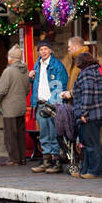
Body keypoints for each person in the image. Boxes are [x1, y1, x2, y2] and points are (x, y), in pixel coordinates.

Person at [29, 42, 68, 174]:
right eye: (41, 49)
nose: (43, 52)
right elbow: (36, 84)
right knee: (44, 133)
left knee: (53, 133)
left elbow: (60, 85)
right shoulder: (37, 64)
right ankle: (46, 160)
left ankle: (56, 161)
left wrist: (52, 103)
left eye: (46, 49)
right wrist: (30, 78)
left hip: (51, 104)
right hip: (40, 103)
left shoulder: (57, 66)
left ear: (50, 51)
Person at [70, 52, 102, 179]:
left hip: (91, 114)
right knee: (86, 143)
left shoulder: (86, 73)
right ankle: (84, 170)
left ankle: (94, 171)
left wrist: (83, 113)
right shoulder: (94, 71)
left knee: (91, 144)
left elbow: (87, 94)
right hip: (96, 112)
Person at [0, 46, 30, 167]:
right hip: (21, 105)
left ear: (11, 58)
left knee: (10, 135)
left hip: (9, 107)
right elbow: (27, 88)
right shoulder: (26, 70)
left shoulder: (8, 71)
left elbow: (2, 90)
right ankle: (22, 158)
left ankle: (14, 159)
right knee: (20, 133)